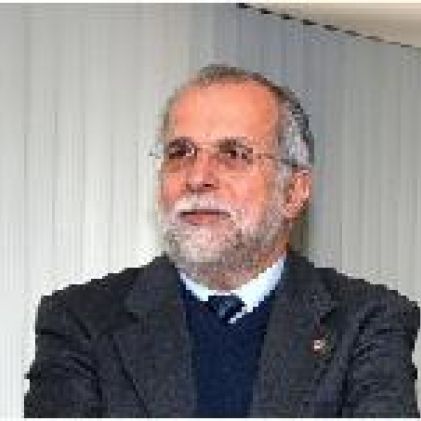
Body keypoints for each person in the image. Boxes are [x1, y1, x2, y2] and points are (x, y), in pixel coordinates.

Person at [25, 64, 420, 417]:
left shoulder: (366, 322)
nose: (197, 177)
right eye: (180, 152)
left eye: (233, 153)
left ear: (293, 192)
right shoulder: (82, 321)